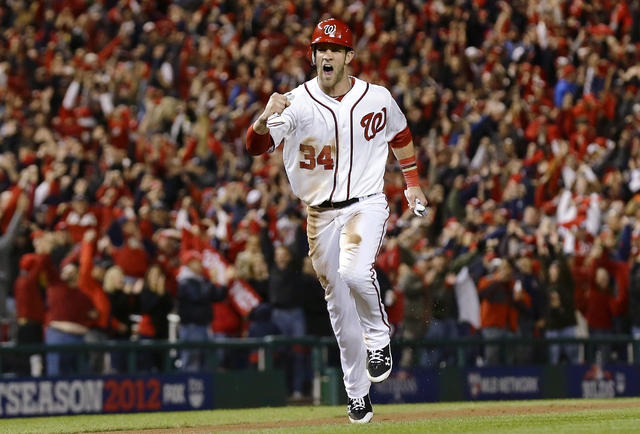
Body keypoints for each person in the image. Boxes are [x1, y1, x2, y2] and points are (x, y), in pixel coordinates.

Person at [246, 18, 427, 424]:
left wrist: (411, 184)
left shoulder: (376, 97)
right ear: (313, 56)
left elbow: (399, 134)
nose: (325, 55)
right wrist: (261, 118)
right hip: (320, 216)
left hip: (366, 202)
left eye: (334, 49)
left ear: (349, 57)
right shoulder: (295, 102)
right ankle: (357, 393)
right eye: (319, 49)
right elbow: (256, 146)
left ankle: (380, 338)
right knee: (341, 311)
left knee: (356, 270)